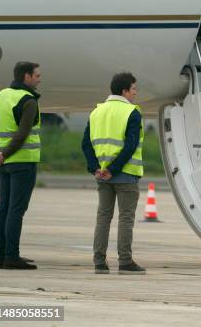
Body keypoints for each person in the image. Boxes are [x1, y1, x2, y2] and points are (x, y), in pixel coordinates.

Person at [81, 72, 145, 275]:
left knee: (103, 217)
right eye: (134, 89)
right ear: (125, 91)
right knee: (125, 218)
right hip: (124, 174)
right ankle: (125, 262)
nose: (136, 93)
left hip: (102, 176)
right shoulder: (131, 112)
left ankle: (99, 262)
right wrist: (114, 169)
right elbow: (130, 145)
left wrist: (96, 168)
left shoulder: (96, 112)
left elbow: (86, 144)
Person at [0, 62, 42, 270]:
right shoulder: (28, 101)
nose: (39, 78)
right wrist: (4, 153)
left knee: (3, 208)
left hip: (5, 162)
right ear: (26, 77)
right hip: (23, 161)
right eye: (37, 75)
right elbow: (23, 133)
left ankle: (1, 256)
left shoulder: (0, 96)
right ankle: (12, 256)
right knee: (16, 210)